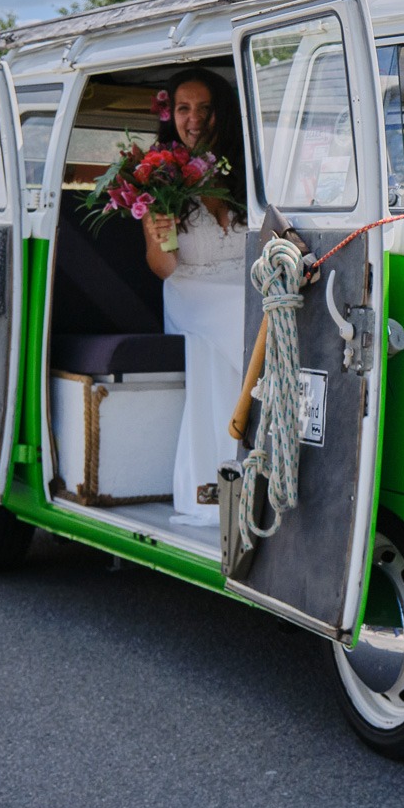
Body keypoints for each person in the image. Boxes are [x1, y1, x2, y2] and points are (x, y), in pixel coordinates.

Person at [142, 66, 247, 527]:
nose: (195, 119)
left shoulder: (245, 174)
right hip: (192, 294)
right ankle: (217, 487)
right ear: (172, 116)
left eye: (205, 108)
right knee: (241, 325)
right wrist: (156, 234)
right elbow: (163, 268)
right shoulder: (161, 180)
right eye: (184, 109)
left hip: (246, 285)